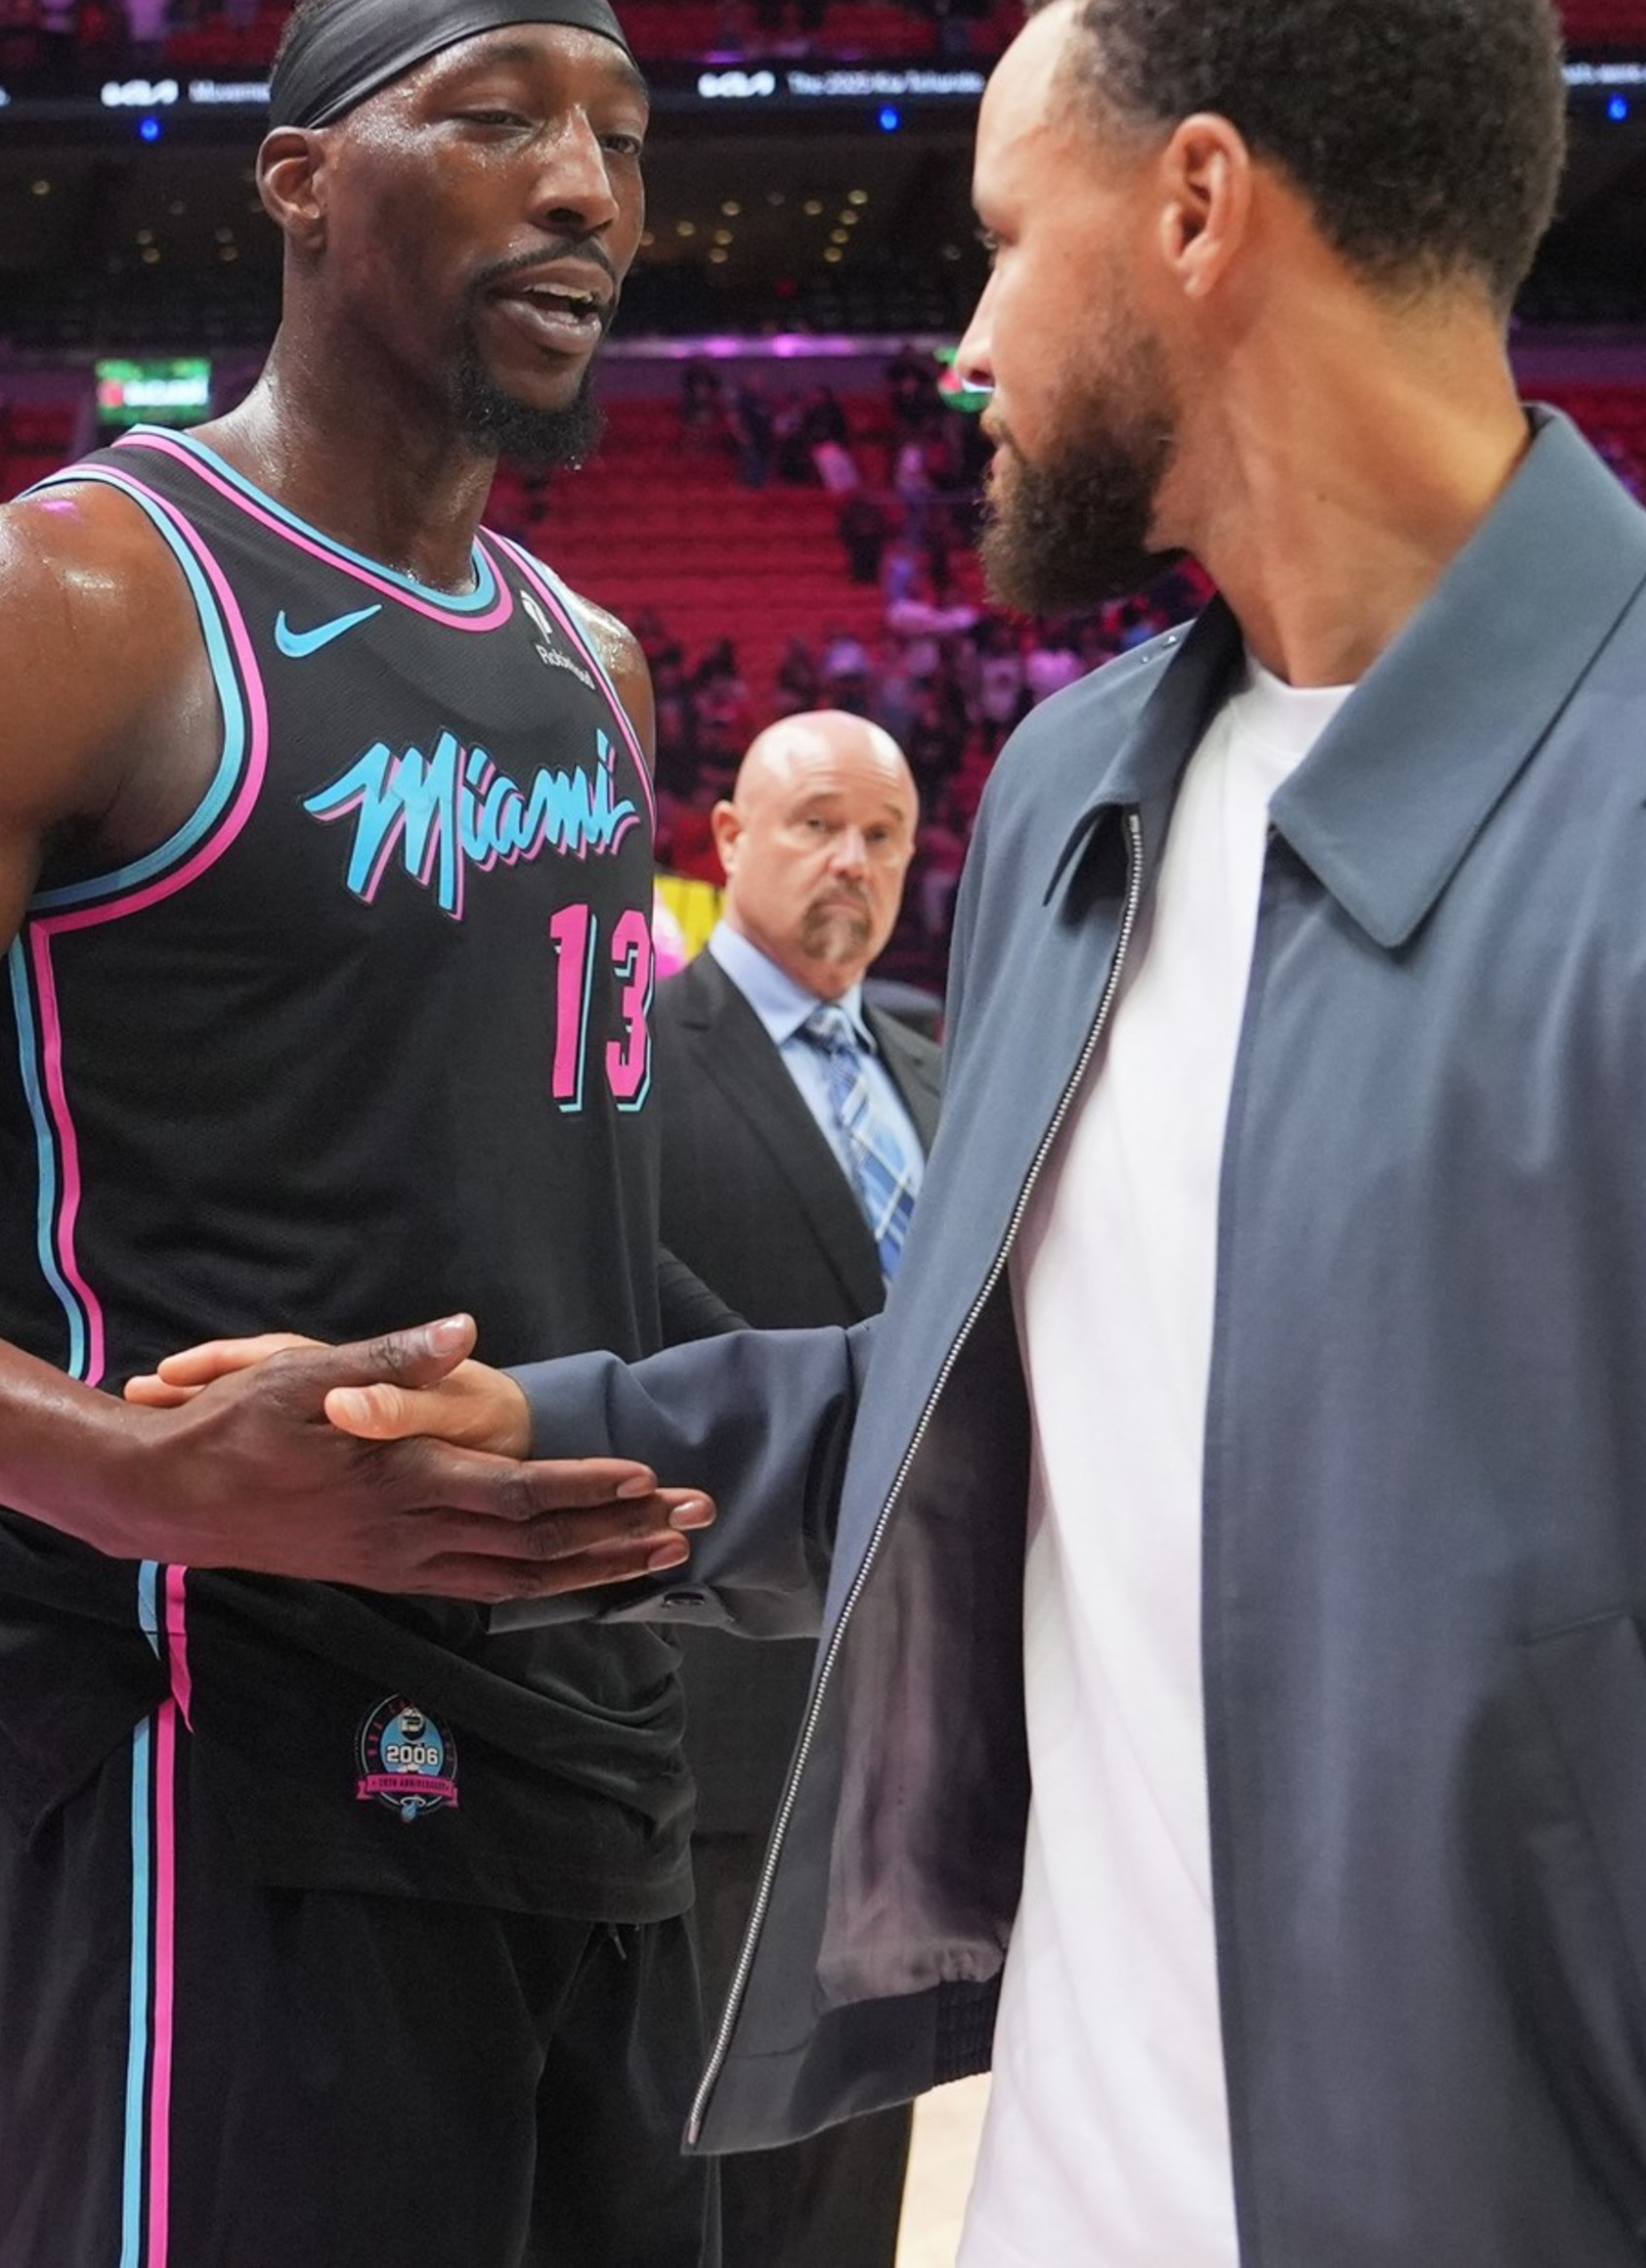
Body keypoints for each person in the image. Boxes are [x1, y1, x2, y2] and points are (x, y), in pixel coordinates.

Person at [177, 0, 1646, 2266]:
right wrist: (550, 1430)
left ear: (1199, 210)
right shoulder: (1069, 790)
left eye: (1011, 240)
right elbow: (1031, 1402)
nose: (966, 342)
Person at [0, 0, 716, 2268]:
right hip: (214, 1753)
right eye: (497, 114)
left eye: (617, 131)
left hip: (584, 1735)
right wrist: (115, 1468)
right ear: (299, 181)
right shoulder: (75, 599)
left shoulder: (589, 663)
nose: (587, 183)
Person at [652, 712, 936, 2268]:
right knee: (715, 2156)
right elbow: (636, 1316)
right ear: (729, 837)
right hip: (732, 1704)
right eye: (820, 822)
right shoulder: (640, 1067)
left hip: (920, 1701)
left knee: (856, 2155)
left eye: (884, 834)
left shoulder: (937, 1060)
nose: (854, 859)